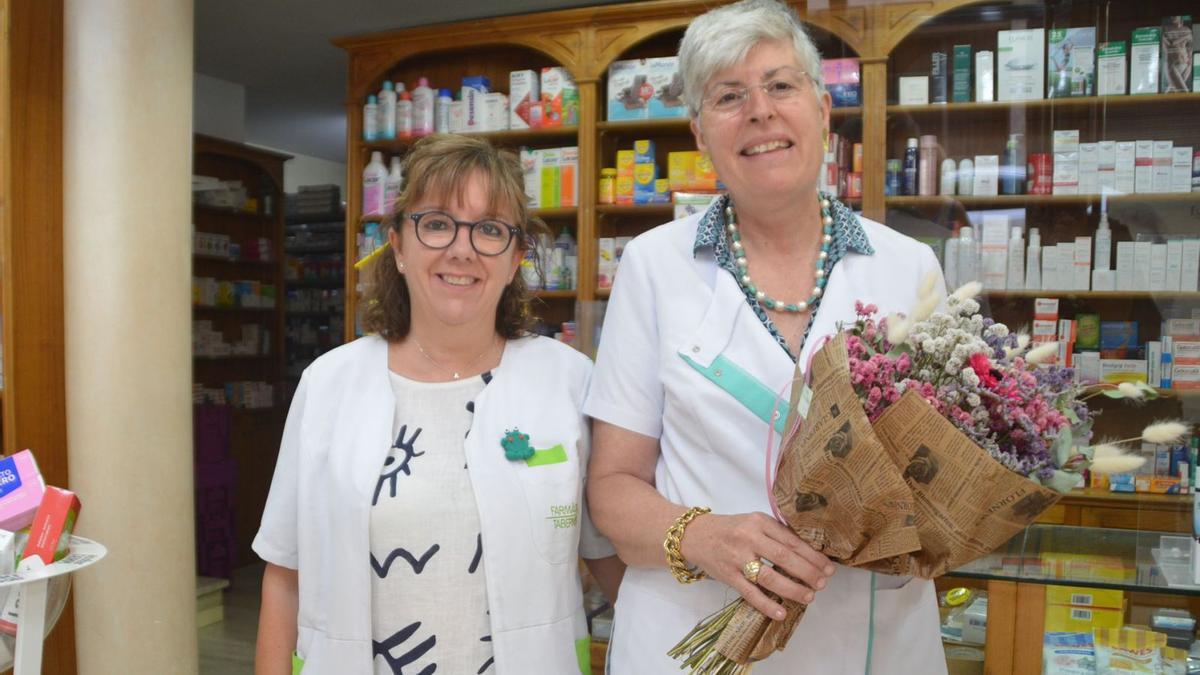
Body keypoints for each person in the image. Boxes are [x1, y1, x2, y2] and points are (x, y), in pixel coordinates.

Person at [583, 1, 946, 672]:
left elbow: (947, 473)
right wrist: (701, 535)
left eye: (781, 85)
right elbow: (611, 485)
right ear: (699, 132)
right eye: (728, 96)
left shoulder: (909, 268)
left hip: (872, 635)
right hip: (697, 633)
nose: (760, 110)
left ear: (822, 107)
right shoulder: (654, 267)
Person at [254, 134, 623, 675]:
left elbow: (609, 558)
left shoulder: (568, 381)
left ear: (517, 255)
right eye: (437, 223)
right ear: (398, 245)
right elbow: (285, 574)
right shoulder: (329, 383)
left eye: (490, 229)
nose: (462, 248)